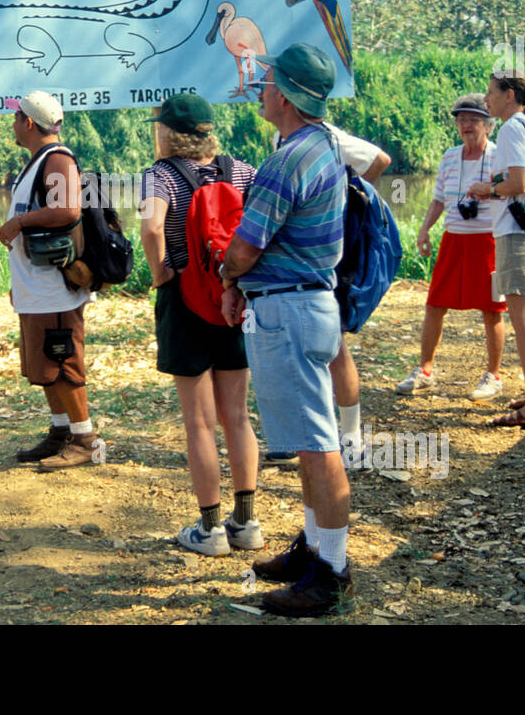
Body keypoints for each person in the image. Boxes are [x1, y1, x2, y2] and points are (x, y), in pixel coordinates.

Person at [220, 42, 352, 617]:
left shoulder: (286, 161)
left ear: (288, 96)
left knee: (318, 446)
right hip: (309, 304)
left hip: (288, 312)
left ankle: (332, 573)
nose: (261, 89)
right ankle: (315, 550)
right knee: (309, 439)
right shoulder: (324, 144)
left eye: (269, 82)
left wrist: (228, 276)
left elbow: (245, 247)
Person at [139, 93, 262, 556]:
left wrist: (160, 273)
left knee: (199, 422)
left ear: (169, 132)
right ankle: (245, 524)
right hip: (234, 296)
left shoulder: (159, 176)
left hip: (184, 299)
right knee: (237, 416)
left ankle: (210, 530)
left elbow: (152, 228)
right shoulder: (243, 171)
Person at [267, 121, 390, 467]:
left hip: (327, 255)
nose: (259, 96)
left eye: (266, 93)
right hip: (298, 257)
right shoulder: (281, 137)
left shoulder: (327, 135)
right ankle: (296, 437)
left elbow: (379, 159)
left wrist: (348, 199)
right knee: (293, 347)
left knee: (335, 347)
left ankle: (351, 441)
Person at [0, 91, 104, 471]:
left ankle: (85, 440)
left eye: (16, 118)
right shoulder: (38, 161)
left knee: (62, 362)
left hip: (54, 289)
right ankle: (61, 432)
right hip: (37, 287)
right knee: (44, 365)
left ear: (28, 122)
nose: (13, 124)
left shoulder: (57, 159)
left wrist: (19, 222)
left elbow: (67, 209)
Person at [465, 70, 525, 429]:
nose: (485, 99)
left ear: (509, 95)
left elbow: (518, 183)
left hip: (520, 234)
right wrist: (499, 184)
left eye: (490, 92)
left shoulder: (510, 129)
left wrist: (487, 189)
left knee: (523, 321)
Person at [396, 94, 507, 399]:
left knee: (492, 309)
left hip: (488, 240)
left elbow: (512, 192)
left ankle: (494, 375)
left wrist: (489, 191)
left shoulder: (499, 156)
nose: (466, 125)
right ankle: (425, 371)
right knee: (434, 304)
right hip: (453, 237)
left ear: (489, 125)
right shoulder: (449, 156)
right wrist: (424, 229)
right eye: (461, 120)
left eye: (473, 120)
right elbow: (438, 199)